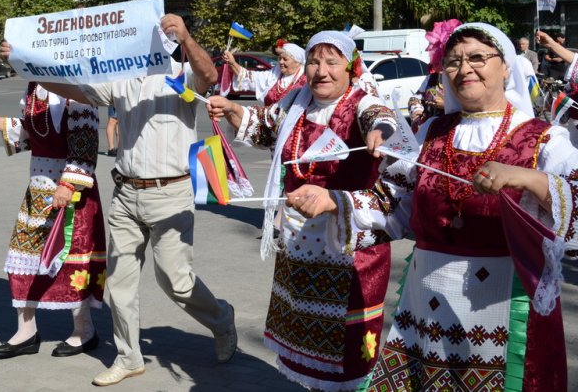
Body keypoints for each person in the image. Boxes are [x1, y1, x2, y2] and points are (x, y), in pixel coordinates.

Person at [287, 22, 578, 390]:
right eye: (453, 61)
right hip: (427, 305)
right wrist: (333, 200)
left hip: (500, 310)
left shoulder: (542, 137)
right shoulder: (431, 133)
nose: (464, 69)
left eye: (477, 57)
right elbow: (393, 202)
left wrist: (530, 179)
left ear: (506, 67)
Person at [0, 14, 237, 387]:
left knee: (175, 280)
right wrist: (24, 63)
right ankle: (129, 357)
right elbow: (76, 90)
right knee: (120, 284)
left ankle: (222, 320)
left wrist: (188, 37)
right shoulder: (122, 79)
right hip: (125, 194)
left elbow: (208, 76)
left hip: (170, 193)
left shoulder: (180, 76)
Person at [207, 30, 396, 391]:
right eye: (314, 61)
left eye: (331, 62)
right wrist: (232, 109)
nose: (321, 71)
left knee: (346, 353)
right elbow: (266, 127)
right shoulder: (297, 101)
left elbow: (380, 116)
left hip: (348, 245)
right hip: (300, 243)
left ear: (351, 68)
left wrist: (381, 131)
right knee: (308, 347)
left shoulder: (359, 102)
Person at [0, 83, 106, 359]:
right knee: (23, 256)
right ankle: (26, 331)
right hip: (38, 189)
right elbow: (35, 133)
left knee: (72, 261)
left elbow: (87, 144)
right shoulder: (34, 88)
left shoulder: (76, 88)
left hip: (71, 192)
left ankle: (84, 330)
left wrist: (68, 185)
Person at [222, 40, 306, 105]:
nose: (280, 62)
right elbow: (250, 77)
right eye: (279, 58)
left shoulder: (306, 81)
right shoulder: (273, 75)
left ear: (297, 62)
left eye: (285, 59)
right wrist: (232, 63)